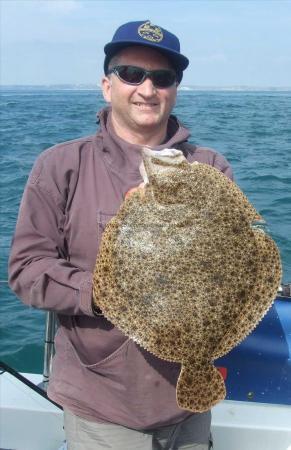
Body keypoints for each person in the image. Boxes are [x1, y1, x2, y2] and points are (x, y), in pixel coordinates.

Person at [9, 20, 233, 450]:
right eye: (131, 73)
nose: (147, 88)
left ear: (174, 89)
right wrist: (110, 291)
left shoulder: (210, 167)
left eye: (162, 78)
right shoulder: (60, 166)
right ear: (106, 85)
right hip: (102, 404)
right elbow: (27, 271)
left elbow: (237, 254)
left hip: (190, 407)